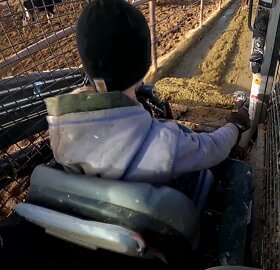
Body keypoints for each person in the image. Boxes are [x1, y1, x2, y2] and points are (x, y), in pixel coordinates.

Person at [44, 0, 250, 184]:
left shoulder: (61, 130)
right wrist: (235, 125)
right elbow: (211, 148)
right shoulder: (164, 142)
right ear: (142, 70)